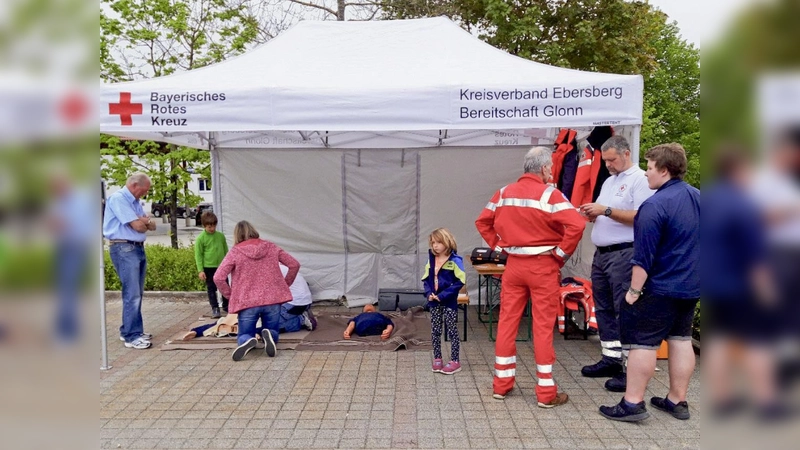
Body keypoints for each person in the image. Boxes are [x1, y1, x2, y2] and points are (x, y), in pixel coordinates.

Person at [476, 146, 585, 408]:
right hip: (543, 266)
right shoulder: (550, 194)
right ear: (545, 168)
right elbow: (578, 224)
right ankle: (546, 393)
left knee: (507, 322)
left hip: (514, 265)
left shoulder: (503, 193)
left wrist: (500, 248)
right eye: (551, 168)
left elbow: (482, 222)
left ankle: (501, 385)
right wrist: (560, 254)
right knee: (542, 326)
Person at [599, 143, 700, 422]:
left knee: (642, 344)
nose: (646, 174)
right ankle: (677, 400)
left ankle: (632, 403)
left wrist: (633, 291)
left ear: (664, 171)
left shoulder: (654, 205)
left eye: (651, 168)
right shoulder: (699, 198)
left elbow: (643, 256)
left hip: (659, 287)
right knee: (681, 340)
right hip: (690, 285)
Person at [703, 147, 786, 421]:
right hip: (740, 286)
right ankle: (767, 403)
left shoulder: (708, 199)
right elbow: (754, 255)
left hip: (713, 284)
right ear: (738, 170)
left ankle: (722, 399)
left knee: (718, 340)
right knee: (758, 342)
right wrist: (767, 292)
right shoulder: (744, 204)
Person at [578, 135, 655, 393]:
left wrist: (606, 211)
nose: (608, 165)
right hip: (602, 253)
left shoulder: (640, 179)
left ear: (626, 154)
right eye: (605, 160)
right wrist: (594, 215)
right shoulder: (609, 180)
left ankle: (629, 369)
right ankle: (611, 358)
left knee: (625, 310)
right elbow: (606, 211)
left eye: (611, 160)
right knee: (603, 308)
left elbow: (643, 217)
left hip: (624, 252)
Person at [213, 220, 300, 361]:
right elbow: (294, 264)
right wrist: (284, 285)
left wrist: (231, 295)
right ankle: (269, 336)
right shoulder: (270, 246)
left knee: (243, 334)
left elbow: (218, 277)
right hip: (272, 299)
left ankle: (248, 340)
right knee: (273, 330)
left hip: (247, 302)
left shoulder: (235, 252)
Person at [102, 173, 157, 350]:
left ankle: (130, 330)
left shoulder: (134, 201)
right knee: (132, 294)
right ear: (134, 185)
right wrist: (143, 221)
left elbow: (152, 225)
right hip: (124, 248)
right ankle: (131, 336)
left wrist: (144, 220)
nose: (145, 194)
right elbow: (139, 226)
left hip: (135, 247)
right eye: (144, 190)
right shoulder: (119, 199)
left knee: (136, 293)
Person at [422, 228, 466, 375]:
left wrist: (443, 295)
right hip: (434, 301)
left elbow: (460, 281)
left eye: (438, 242)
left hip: (449, 301)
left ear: (447, 242)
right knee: (435, 330)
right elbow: (426, 279)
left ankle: (455, 361)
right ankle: (437, 358)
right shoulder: (431, 260)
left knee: (452, 329)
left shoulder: (455, 261)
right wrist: (429, 293)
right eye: (433, 242)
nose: (435, 246)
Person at [195, 211, 229, 319]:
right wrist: (200, 270)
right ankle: (215, 307)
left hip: (221, 267)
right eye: (209, 227)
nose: (212, 228)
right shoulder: (201, 238)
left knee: (224, 286)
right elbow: (198, 255)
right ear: (204, 226)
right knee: (211, 288)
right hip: (208, 267)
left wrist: (228, 264)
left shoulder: (220, 236)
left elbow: (226, 251)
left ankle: (227, 305)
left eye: (214, 226)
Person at [277, 264, 317, 333]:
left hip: (294, 303)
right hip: (303, 301)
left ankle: (301, 320)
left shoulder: (270, 270)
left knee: (269, 325)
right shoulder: (278, 266)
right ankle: (300, 315)